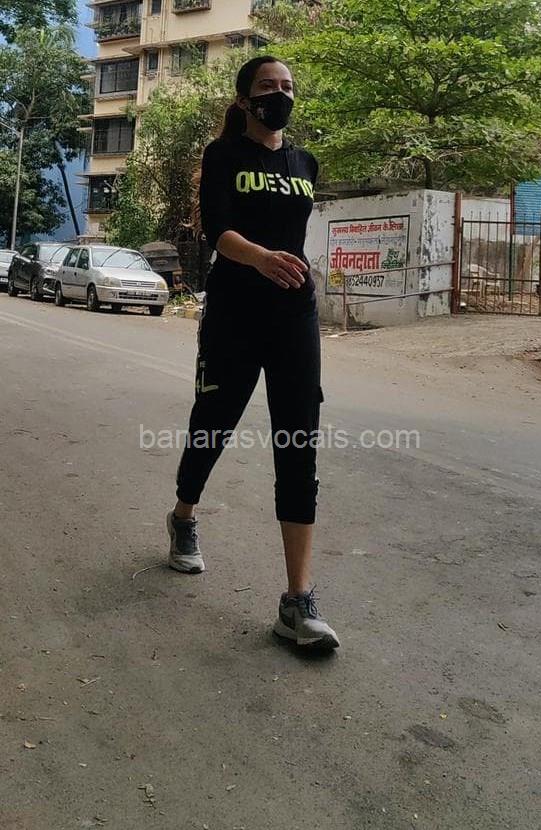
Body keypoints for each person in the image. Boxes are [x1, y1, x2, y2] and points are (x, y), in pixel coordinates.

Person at [166, 56, 339, 651]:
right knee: (213, 424)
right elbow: (218, 229)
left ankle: (298, 600)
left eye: (288, 86)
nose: (280, 94)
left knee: (298, 440)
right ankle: (184, 516)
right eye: (268, 86)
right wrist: (260, 258)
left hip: (294, 314)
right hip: (235, 312)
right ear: (244, 99)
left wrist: (287, 266)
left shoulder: (306, 163)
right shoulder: (224, 155)